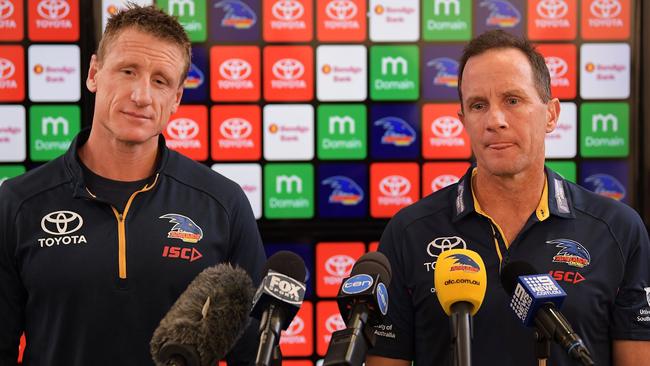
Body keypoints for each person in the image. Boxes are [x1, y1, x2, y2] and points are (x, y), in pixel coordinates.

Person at [0, 5, 265, 365]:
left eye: (161, 81)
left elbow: (254, 354)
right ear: (94, 73)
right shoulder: (17, 203)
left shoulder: (222, 202)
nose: (141, 96)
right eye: (128, 71)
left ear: (176, 99)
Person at [366, 30, 650, 366]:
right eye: (478, 106)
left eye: (512, 100)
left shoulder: (618, 229)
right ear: (463, 122)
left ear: (551, 115)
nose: (495, 121)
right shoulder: (409, 232)